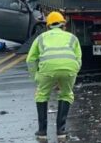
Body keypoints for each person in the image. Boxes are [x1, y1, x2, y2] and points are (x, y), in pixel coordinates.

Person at [26, 11, 82, 140]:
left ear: (48, 26)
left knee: (42, 95)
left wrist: (36, 77)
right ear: (63, 25)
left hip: (47, 70)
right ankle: (61, 131)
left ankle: (42, 132)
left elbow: (30, 60)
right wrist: (70, 74)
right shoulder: (72, 38)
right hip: (69, 68)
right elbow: (78, 59)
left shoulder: (41, 38)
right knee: (66, 94)